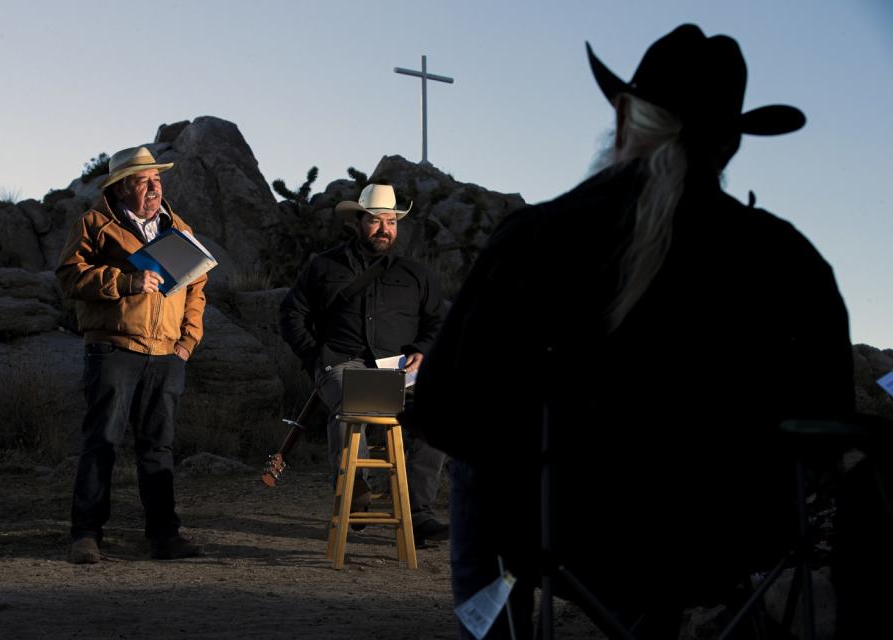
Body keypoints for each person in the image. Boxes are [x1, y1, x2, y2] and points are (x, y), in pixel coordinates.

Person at [401, 24, 854, 638]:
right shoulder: (790, 261)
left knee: (476, 464)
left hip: (566, 534)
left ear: (623, 120)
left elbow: (443, 409)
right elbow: (829, 427)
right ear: (730, 148)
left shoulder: (537, 240)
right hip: (729, 545)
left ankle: (491, 630)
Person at [57, 146, 208, 564]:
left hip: (166, 354)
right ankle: (85, 536)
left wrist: (186, 343)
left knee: (158, 448)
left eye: (157, 179)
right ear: (122, 188)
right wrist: (125, 282)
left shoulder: (178, 227)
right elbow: (69, 277)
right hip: (113, 349)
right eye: (144, 180)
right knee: (101, 442)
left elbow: (197, 289)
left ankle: (164, 538)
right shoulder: (94, 224)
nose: (154, 186)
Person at [279, 183, 449, 547]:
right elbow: (292, 313)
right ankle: (355, 489)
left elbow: (439, 321)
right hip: (342, 364)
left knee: (438, 413)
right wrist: (315, 357)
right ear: (358, 222)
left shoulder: (416, 274)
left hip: (401, 369)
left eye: (391, 220)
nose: (385, 228)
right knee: (352, 405)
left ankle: (419, 513)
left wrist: (423, 349)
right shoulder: (323, 266)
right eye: (375, 220)